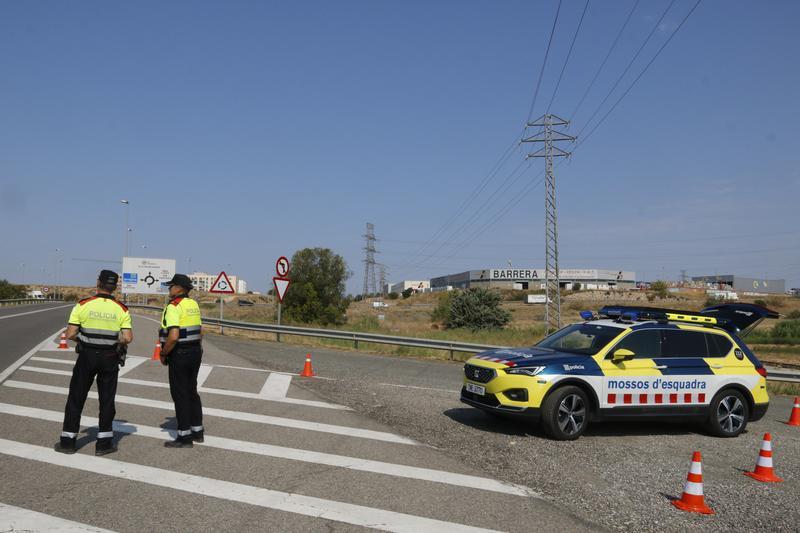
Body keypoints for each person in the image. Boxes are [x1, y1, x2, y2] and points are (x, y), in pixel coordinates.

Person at [56, 270, 132, 455]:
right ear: (114, 287)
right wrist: (115, 342)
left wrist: (83, 340)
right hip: (109, 358)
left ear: (98, 283)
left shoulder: (83, 305)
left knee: (76, 397)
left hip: (87, 356)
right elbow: (128, 337)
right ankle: (104, 444)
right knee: (107, 400)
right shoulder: (121, 308)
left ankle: (68, 442)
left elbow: (70, 334)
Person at [160, 273, 204, 448]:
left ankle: (184, 437)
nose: (169, 289)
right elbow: (201, 331)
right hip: (195, 351)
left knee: (180, 394)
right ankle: (197, 431)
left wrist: (164, 353)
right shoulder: (193, 304)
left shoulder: (173, 306)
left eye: (171, 286)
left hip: (180, 353)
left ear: (179, 288)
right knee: (191, 391)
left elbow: (173, 336)